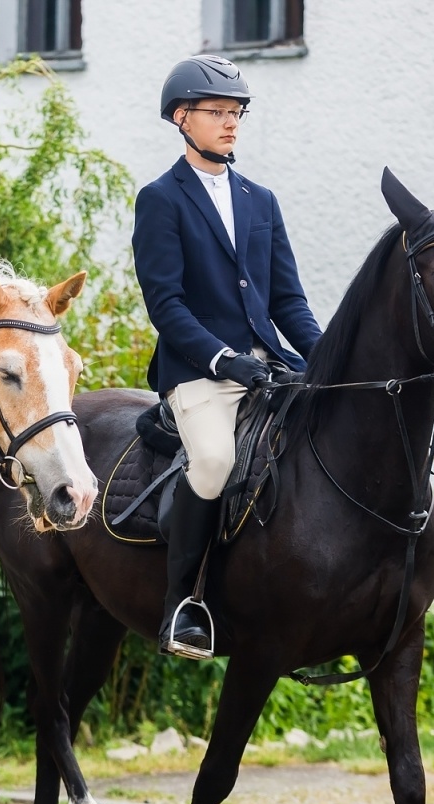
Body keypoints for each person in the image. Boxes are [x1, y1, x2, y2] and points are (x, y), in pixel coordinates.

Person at [131, 54, 322, 659]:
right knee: (213, 459)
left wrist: (325, 358)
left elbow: (288, 300)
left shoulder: (261, 200)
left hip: (267, 363)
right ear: (182, 118)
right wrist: (220, 359)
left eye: (236, 112)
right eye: (217, 112)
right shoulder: (160, 200)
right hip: (198, 372)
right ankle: (182, 605)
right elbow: (166, 305)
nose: (231, 123)